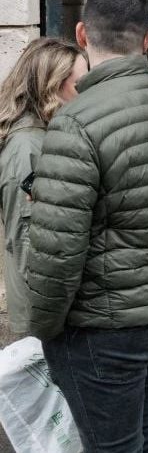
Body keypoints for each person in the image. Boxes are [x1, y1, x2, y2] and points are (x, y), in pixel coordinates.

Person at [23, 0, 148, 451]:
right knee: (147, 433)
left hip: (104, 327)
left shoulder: (76, 122)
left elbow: (56, 253)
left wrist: (42, 327)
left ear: (82, 34)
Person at [0, 39, 86, 340]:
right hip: (44, 314)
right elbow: (27, 240)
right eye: (80, 84)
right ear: (53, 86)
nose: (86, 92)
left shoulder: (47, 131)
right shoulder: (26, 147)